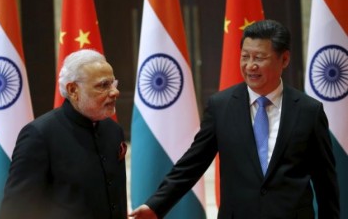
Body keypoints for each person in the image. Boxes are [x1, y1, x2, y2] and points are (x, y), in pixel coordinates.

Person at [130, 20, 340, 219]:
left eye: (258, 58)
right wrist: (155, 206)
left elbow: (325, 182)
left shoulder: (308, 111)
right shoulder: (221, 107)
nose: (250, 66)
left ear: (284, 59)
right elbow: (192, 164)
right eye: (245, 56)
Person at [0, 49, 127, 219]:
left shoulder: (113, 130)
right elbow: (15, 211)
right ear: (73, 90)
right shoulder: (39, 135)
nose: (115, 92)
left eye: (113, 83)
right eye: (104, 85)